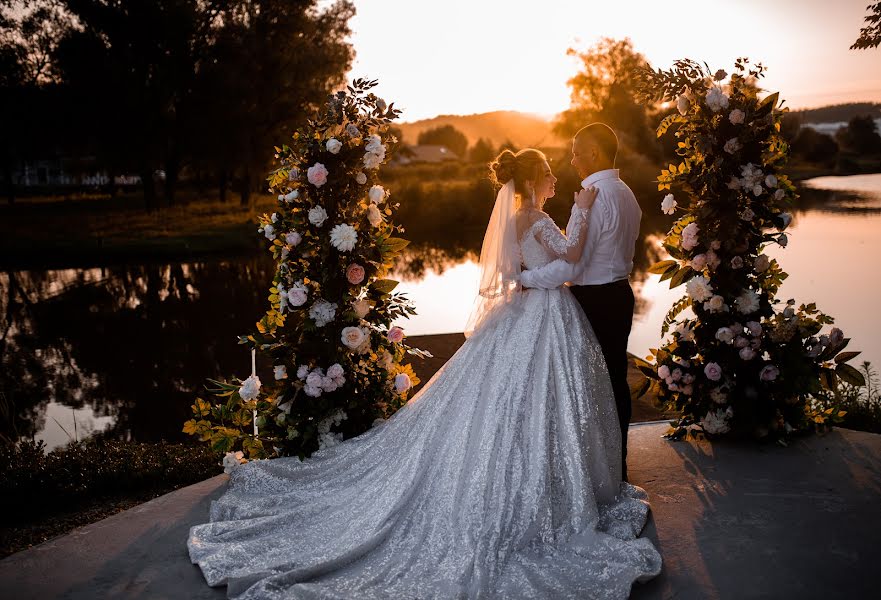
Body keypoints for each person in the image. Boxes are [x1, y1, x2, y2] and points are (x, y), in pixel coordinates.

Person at [188, 148, 661, 599]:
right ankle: (548, 483)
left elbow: (516, 274)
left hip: (524, 315)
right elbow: (572, 258)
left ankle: (541, 475)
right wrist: (580, 209)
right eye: (551, 172)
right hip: (545, 316)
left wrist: (534, 274)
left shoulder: (516, 221)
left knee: (514, 400)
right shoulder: (537, 218)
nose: (558, 178)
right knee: (541, 398)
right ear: (535, 180)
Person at [521, 124, 642, 482]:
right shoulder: (627, 193)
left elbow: (572, 264)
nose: (571, 159)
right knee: (617, 381)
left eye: (576, 151)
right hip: (620, 294)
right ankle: (615, 466)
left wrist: (525, 280)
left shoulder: (591, 197)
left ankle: (589, 471)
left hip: (592, 299)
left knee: (586, 386)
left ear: (595, 153)